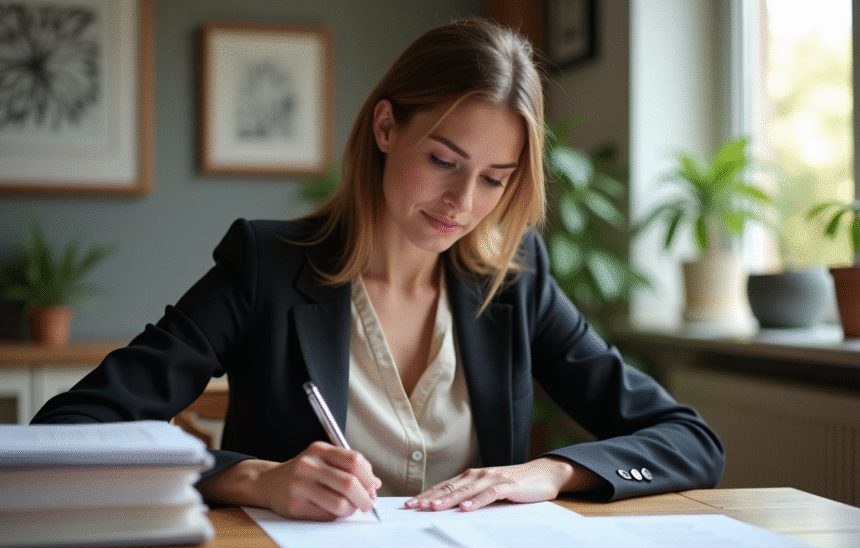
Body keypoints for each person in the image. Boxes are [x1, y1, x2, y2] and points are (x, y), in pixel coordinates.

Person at [32, 18, 724, 521]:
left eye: (494, 180)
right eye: (444, 161)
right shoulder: (265, 266)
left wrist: (552, 470)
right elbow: (69, 430)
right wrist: (254, 479)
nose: (462, 202)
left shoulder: (516, 280)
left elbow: (691, 440)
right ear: (387, 128)